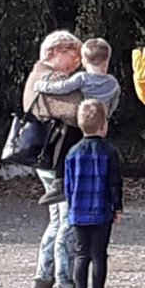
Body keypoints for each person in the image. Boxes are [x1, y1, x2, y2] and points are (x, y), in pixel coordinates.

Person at [24, 30, 83, 288]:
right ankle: (65, 281)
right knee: (68, 221)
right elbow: (76, 112)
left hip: (44, 159)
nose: (77, 63)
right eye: (73, 56)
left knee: (57, 219)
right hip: (59, 161)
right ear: (54, 53)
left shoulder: (35, 77)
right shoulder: (52, 78)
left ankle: (43, 276)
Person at [32, 37, 121, 207]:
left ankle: (59, 182)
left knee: (66, 139)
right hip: (100, 123)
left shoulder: (82, 78)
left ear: (84, 61)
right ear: (107, 60)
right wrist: (107, 115)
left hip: (82, 119)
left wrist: (41, 86)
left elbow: (61, 88)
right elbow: (114, 102)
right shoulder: (113, 83)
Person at [64, 99, 124, 288]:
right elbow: (114, 183)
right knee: (99, 255)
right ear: (103, 125)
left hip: (78, 212)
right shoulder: (109, 151)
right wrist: (118, 208)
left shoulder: (72, 152)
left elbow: (68, 185)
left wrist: (70, 207)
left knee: (81, 255)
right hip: (101, 212)